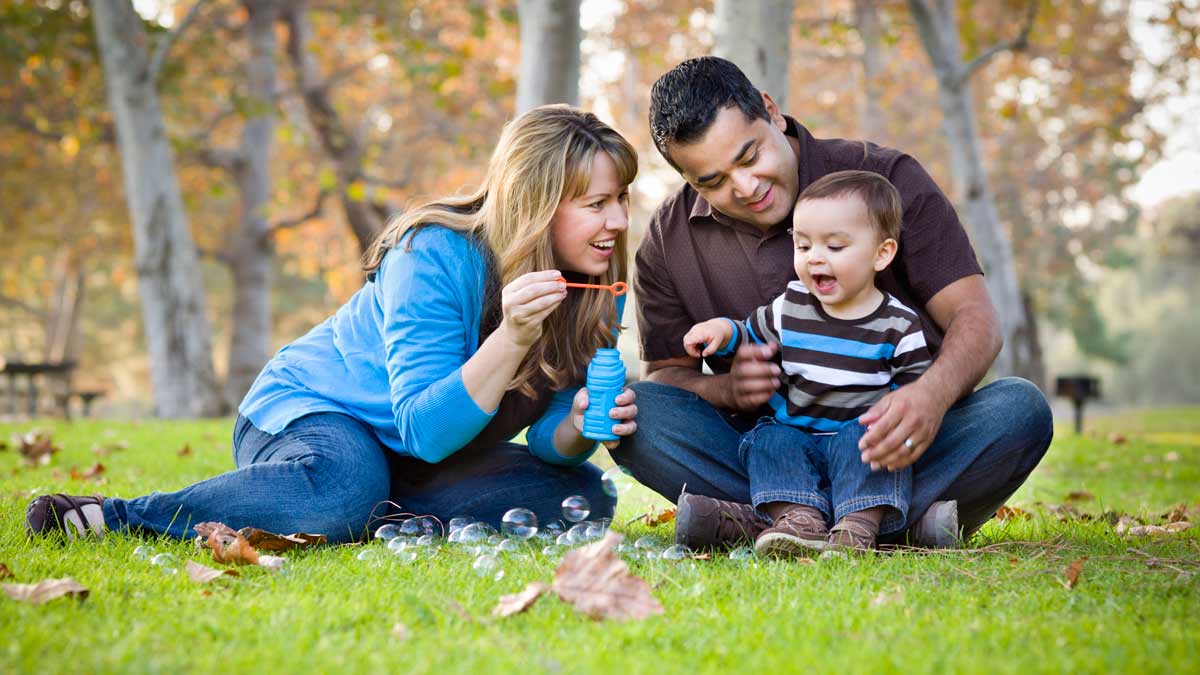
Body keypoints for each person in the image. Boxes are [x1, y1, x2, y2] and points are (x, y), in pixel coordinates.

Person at [26, 105, 640, 544]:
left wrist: (579, 426)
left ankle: (372, 512)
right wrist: (512, 337)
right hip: (314, 413)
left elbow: (548, 436)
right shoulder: (435, 254)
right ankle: (122, 516)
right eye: (595, 204)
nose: (615, 221)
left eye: (622, 199)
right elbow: (424, 429)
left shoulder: (594, 288)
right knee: (347, 486)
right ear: (534, 203)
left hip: (413, 461)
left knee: (583, 493)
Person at [615, 56, 1053, 550]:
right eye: (711, 182)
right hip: (773, 449)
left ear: (771, 111)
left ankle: (767, 524)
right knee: (637, 414)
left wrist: (930, 397)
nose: (745, 187)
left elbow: (976, 319)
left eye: (749, 156)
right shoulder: (668, 240)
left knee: (1019, 410)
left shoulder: (885, 178)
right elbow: (667, 376)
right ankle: (886, 525)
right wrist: (728, 391)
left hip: (892, 444)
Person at [682, 170, 930, 555]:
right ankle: (799, 519)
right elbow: (749, 334)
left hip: (859, 441)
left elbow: (916, 395)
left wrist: (900, 428)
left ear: (882, 254)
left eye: (833, 247)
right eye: (802, 246)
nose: (815, 258)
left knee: (871, 439)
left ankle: (858, 525)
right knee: (769, 438)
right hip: (798, 438)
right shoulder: (790, 306)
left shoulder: (899, 325)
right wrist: (723, 332)